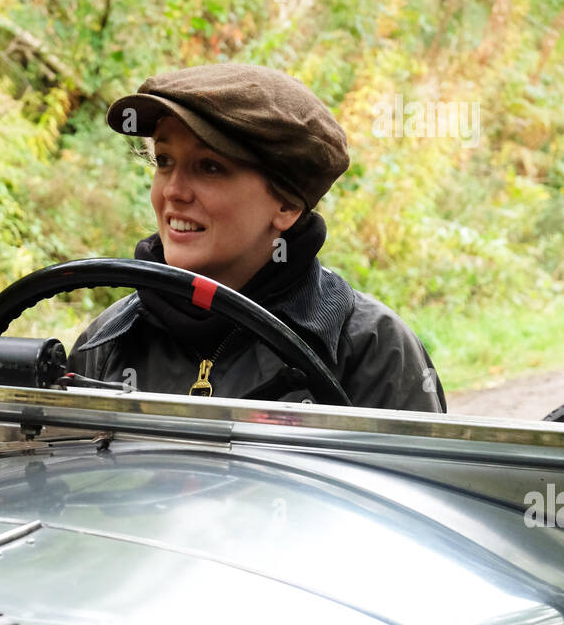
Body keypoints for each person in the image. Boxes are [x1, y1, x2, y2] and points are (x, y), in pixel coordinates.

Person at [67, 65, 446, 413]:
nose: (173, 191)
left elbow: (417, 485)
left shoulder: (369, 349)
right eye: (165, 161)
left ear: (286, 204)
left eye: (210, 167)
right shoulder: (108, 342)